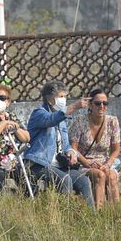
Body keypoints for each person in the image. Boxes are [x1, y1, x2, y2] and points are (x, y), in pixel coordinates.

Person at [23, 80, 94, 208]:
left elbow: (66, 144)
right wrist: (73, 107)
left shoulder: (62, 119)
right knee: (65, 180)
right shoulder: (39, 114)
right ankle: (64, 216)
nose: (64, 100)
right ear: (50, 99)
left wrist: (72, 153)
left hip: (59, 164)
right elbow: (50, 120)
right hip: (39, 163)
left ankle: (90, 216)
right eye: (61, 96)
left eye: (65, 96)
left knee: (83, 181)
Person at [69, 89, 121, 209]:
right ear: (90, 104)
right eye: (98, 103)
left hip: (104, 162)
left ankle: (117, 214)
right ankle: (98, 212)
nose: (101, 106)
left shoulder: (112, 121)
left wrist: (108, 164)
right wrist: (88, 163)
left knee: (111, 176)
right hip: (83, 162)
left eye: (105, 103)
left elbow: (116, 150)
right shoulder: (80, 121)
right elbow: (73, 148)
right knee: (100, 176)